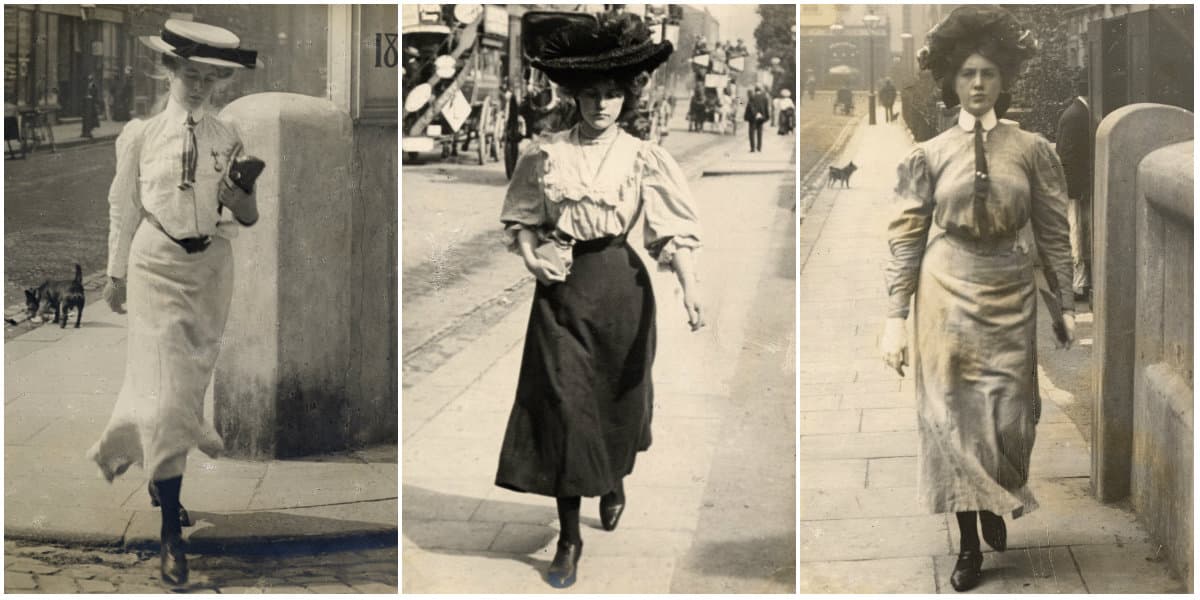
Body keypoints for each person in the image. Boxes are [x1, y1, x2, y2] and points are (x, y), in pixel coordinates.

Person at [496, 11, 703, 589]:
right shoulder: (545, 153)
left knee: (614, 403)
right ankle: (569, 538)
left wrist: (690, 288)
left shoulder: (644, 156)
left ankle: (611, 480)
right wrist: (530, 253)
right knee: (564, 408)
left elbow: (669, 230)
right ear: (574, 97)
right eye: (591, 95)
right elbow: (521, 220)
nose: (602, 105)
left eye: (613, 94)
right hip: (561, 289)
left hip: (621, 288)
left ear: (626, 97)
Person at [880, 6, 1074, 593]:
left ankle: (995, 497)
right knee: (952, 418)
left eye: (989, 73)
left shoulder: (1032, 148)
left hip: (1010, 291)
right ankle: (968, 544)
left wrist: (1061, 301)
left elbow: (1053, 229)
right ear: (952, 81)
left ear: (1003, 79)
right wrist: (893, 317)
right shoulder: (929, 154)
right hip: (945, 292)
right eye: (968, 74)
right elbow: (906, 234)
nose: (979, 83)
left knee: (1012, 418)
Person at [87, 19, 259, 586]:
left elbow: (246, 218)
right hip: (154, 265)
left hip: (210, 272)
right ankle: (170, 535)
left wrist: (241, 200)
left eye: (212, 79)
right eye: (192, 74)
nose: (202, 86)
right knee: (163, 397)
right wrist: (114, 276)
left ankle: (163, 481)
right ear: (168, 70)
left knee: (182, 393)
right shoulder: (139, 135)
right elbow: (122, 207)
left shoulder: (228, 136)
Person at [1056, 75, 1094, 303]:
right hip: (1075, 188)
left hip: (1074, 185)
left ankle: (1079, 283)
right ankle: (1078, 284)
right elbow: (1068, 156)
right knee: (1077, 233)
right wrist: (1077, 190)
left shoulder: (1075, 112)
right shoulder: (1078, 116)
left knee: (1077, 233)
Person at [744, 84, 770, 152]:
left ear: (755, 90)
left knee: (751, 132)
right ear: (760, 90)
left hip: (753, 117)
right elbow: (766, 108)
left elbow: (748, 107)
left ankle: (752, 148)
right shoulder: (764, 97)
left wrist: (746, 116)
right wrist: (766, 117)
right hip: (761, 116)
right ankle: (759, 147)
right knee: (760, 132)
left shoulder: (752, 97)